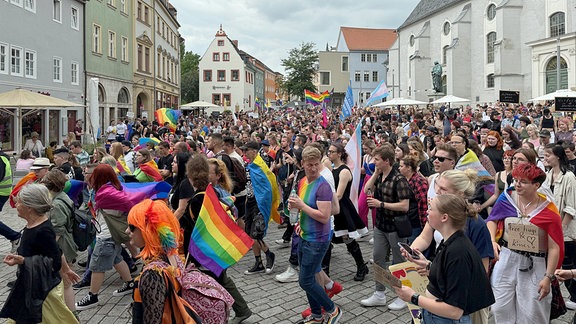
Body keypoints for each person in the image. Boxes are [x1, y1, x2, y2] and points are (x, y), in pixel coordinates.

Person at [394, 194, 495, 323]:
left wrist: (413, 297)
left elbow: (454, 311)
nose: (427, 211)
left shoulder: (458, 252)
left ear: (444, 217)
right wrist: (427, 265)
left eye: (431, 209)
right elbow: (449, 276)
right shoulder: (451, 241)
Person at [486, 163, 563, 323]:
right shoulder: (506, 198)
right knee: (499, 307)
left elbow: (554, 246)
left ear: (536, 185)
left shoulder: (548, 210)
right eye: (515, 180)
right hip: (507, 257)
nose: (517, 184)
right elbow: (492, 220)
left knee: (533, 313)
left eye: (523, 181)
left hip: (535, 262)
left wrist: (548, 277)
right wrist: (492, 240)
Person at [182, 154, 252, 324]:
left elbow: (196, 227)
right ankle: (241, 310)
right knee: (222, 279)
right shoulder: (210, 193)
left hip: (204, 252)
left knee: (215, 284)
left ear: (191, 177)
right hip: (213, 248)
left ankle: (225, 313)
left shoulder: (198, 199)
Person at [0, 183, 78, 323]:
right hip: (30, 284)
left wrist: (23, 261)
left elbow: (54, 261)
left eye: (19, 202)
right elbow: (56, 250)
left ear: (29, 207)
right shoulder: (33, 225)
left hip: (42, 291)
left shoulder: (42, 230)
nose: (16, 205)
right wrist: (66, 270)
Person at [288, 146, 343, 324]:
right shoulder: (303, 181)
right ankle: (317, 316)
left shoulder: (323, 186)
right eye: (309, 164)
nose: (313, 168)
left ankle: (332, 310)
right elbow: (305, 206)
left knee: (305, 281)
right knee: (309, 278)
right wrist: (296, 210)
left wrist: (302, 207)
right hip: (305, 235)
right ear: (302, 163)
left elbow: (324, 216)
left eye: (316, 164)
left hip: (318, 240)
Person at [75, 164, 138, 310]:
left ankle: (93, 296)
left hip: (106, 235)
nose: (89, 176)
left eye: (93, 174)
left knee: (97, 266)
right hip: (112, 233)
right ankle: (129, 283)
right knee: (117, 259)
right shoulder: (115, 188)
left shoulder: (105, 193)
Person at [361, 144, 411, 310]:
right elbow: (366, 189)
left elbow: (404, 206)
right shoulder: (380, 175)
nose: (373, 162)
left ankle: (402, 296)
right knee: (378, 259)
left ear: (387, 161)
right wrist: (375, 173)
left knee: (398, 263)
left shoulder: (399, 179)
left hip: (395, 227)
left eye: (377, 160)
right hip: (381, 226)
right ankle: (379, 293)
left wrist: (380, 204)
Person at [127, 199, 185, 323]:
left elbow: (153, 320)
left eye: (132, 227)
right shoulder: (171, 254)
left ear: (148, 231)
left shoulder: (152, 274)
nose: (127, 231)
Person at [327, 143, 369, 281]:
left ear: (339, 154)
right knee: (329, 238)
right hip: (334, 206)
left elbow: (339, 195)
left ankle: (361, 266)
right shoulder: (333, 169)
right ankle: (324, 271)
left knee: (347, 238)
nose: (329, 154)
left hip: (342, 207)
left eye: (332, 152)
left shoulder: (344, 171)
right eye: (329, 151)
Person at [542, 143, 576, 310]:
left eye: (548, 155)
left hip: (566, 230)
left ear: (557, 156)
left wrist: (561, 229)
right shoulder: (548, 175)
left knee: (568, 263)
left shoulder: (569, 176)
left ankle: (575, 295)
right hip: (552, 228)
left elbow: (571, 207)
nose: (545, 157)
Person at [41, 169, 79, 315]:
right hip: (65, 242)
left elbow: (58, 229)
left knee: (66, 282)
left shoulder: (56, 203)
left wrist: (48, 247)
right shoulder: (62, 197)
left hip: (62, 245)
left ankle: (71, 314)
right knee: (65, 282)